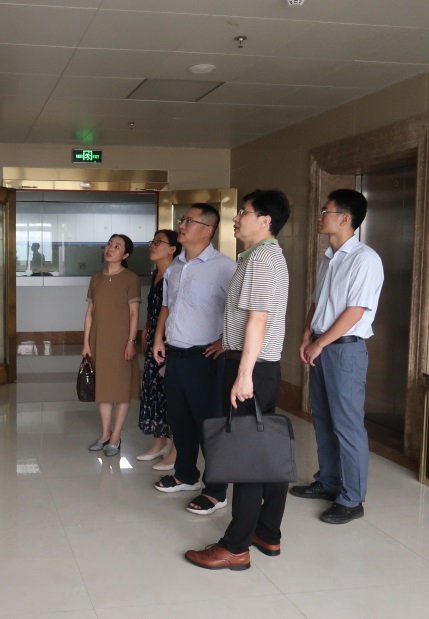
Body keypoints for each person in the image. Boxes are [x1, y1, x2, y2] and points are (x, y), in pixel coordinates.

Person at [185, 189, 291, 571]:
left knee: (247, 457)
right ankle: (267, 532)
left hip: (252, 367)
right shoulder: (260, 256)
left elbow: (258, 319)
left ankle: (236, 547)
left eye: (243, 212)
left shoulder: (262, 259)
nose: (236, 218)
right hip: (257, 366)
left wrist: (243, 375)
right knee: (262, 451)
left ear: (265, 220)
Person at [290, 189, 384, 524]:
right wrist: (307, 336)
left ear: (344, 218)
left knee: (347, 425)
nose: (320, 216)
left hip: (344, 349)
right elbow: (318, 302)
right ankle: (328, 481)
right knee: (323, 419)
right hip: (322, 345)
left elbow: (356, 310)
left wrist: (320, 343)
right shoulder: (329, 257)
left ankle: (352, 499)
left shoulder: (364, 259)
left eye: (325, 211)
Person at [151, 205, 236, 515]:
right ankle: (186, 475)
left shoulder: (224, 267)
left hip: (206, 358)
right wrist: (158, 338)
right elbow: (167, 306)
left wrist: (226, 340)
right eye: (182, 219)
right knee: (181, 420)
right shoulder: (175, 267)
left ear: (207, 230)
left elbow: (240, 309)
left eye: (189, 220)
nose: (182, 225)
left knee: (209, 425)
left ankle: (216, 491)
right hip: (175, 355)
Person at [83, 234, 141, 456]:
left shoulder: (130, 278)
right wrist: (86, 342)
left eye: (117, 246)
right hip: (99, 339)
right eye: (109, 244)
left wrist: (131, 342)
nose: (110, 248)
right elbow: (90, 313)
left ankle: (116, 436)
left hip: (121, 341)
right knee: (103, 388)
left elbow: (134, 313)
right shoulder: (96, 278)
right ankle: (105, 434)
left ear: (125, 255)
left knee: (121, 390)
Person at [136, 229, 181, 468]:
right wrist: (147, 331)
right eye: (152, 241)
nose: (152, 245)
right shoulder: (157, 274)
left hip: (170, 342)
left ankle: (176, 450)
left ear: (173, 249)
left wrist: (160, 336)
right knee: (153, 390)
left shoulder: (176, 274)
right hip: (155, 339)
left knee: (170, 395)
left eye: (159, 242)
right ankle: (159, 443)